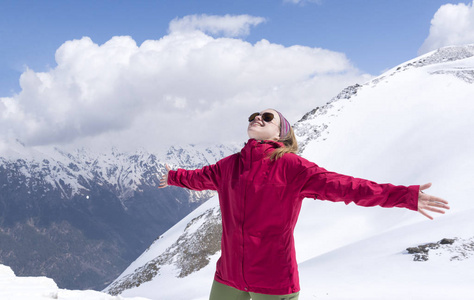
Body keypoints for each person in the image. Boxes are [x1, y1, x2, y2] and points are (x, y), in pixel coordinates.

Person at [158, 108, 450, 300]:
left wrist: (405, 196)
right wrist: (172, 176)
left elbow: (348, 187)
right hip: (229, 275)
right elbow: (197, 177)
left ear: (281, 134)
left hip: (272, 280)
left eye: (267, 117)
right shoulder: (229, 166)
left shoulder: (292, 167)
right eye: (254, 115)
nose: (257, 118)